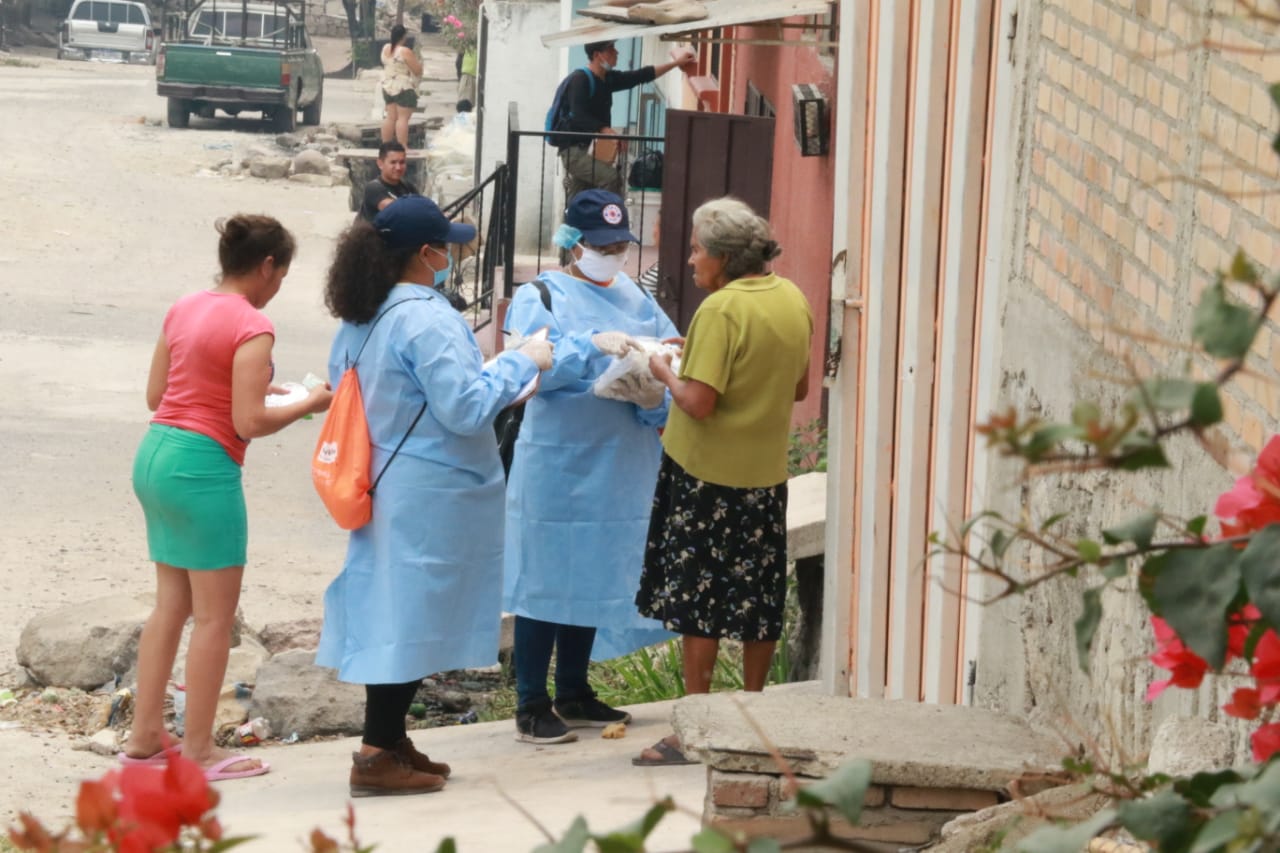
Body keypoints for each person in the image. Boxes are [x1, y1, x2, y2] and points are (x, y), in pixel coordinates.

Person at [315, 196, 554, 796]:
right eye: (446, 245)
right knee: (411, 616)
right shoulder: (426, 316)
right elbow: (466, 407)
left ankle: (391, 739)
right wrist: (518, 361)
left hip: (385, 481)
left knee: (396, 610)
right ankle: (375, 753)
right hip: (432, 491)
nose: (452, 254)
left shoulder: (360, 316)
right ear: (426, 255)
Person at [120, 215, 334, 780]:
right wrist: (309, 403)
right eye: (281, 275)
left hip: (156, 456)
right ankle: (199, 752)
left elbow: (158, 393)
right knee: (215, 618)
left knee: (171, 603)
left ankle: (145, 735)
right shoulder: (253, 325)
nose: (277, 286)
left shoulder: (185, 305)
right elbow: (250, 420)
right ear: (267, 267)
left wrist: (248, 388)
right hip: (203, 470)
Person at [633, 197, 813, 766]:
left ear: (724, 258)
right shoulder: (791, 297)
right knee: (758, 596)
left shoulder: (720, 310)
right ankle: (755, 715)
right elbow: (800, 386)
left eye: (696, 250)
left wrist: (663, 370)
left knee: (699, 602)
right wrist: (702, 356)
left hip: (707, 478)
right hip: (763, 474)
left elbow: (699, 402)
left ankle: (696, 726)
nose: (689, 261)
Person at [503, 189, 679, 745]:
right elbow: (530, 370)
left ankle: (574, 689)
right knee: (546, 574)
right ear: (573, 243)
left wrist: (658, 395)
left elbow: (669, 353)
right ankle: (531, 699)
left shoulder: (633, 295)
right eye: (601, 244)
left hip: (621, 458)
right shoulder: (542, 297)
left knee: (595, 568)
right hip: (560, 459)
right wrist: (589, 346)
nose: (613, 253)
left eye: (621, 243)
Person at [548, 40, 696, 200]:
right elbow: (579, 114)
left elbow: (640, 75)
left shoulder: (607, 79)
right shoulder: (579, 80)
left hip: (590, 150)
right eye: (610, 49)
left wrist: (676, 64)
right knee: (610, 178)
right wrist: (608, 132)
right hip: (574, 152)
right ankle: (611, 221)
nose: (616, 52)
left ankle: (573, 222)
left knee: (579, 197)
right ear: (597, 55)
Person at [380, 24, 422, 148]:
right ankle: (403, 146)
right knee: (402, 118)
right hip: (403, 87)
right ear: (403, 37)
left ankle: (385, 146)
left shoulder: (385, 48)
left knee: (390, 117)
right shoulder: (404, 51)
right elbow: (417, 70)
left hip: (387, 86)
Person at [358, 141, 419, 224]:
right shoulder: (373, 188)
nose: (398, 167)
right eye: (393, 162)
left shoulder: (408, 187)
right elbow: (396, 211)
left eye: (402, 162)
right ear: (380, 164)